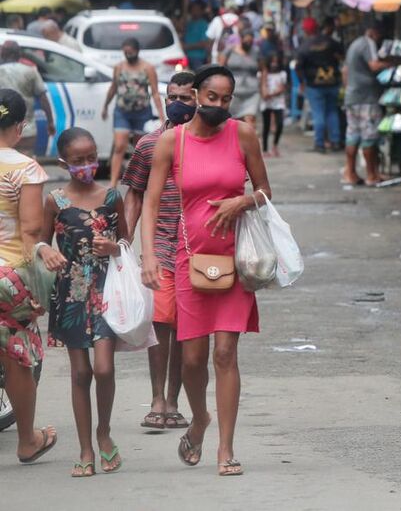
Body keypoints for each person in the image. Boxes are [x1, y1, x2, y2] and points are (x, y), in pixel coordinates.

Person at [139, 64, 272, 477]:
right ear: (195, 95)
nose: (218, 105)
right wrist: (148, 255)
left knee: (226, 353)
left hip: (235, 260)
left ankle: (226, 449)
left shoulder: (243, 134)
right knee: (192, 359)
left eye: (226, 98)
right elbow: (150, 200)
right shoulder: (171, 142)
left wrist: (242, 202)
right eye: (211, 97)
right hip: (189, 257)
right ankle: (199, 420)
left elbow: (266, 192)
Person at [37, 127, 126, 477]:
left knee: (103, 368)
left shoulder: (112, 197)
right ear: (64, 163)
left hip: (107, 288)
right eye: (78, 161)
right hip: (70, 291)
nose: (87, 165)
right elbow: (40, 244)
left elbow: (128, 244)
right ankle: (86, 448)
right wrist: (46, 252)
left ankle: (104, 433)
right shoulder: (54, 200)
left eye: (91, 158)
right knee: (80, 372)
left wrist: (114, 247)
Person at [121, 70, 197, 434]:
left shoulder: (210, 145)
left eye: (186, 96)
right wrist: (125, 242)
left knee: (186, 330)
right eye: (172, 96)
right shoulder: (149, 144)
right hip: (161, 246)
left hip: (199, 250)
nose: (178, 103)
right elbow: (134, 194)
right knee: (161, 324)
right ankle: (157, 400)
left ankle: (175, 400)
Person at [0, 90, 57, 466]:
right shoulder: (25, 169)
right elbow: (33, 230)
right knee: (17, 356)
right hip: (8, 274)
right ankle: (27, 441)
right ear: (19, 127)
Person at [102, 37, 164, 188]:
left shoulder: (147, 68)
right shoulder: (119, 67)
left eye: (130, 52)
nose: (128, 55)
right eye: (125, 52)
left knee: (140, 148)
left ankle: (139, 181)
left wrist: (162, 114)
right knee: (119, 146)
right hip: (122, 111)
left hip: (142, 113)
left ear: (137, 51)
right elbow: (113, 87)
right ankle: (113, 183)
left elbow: (155, 92)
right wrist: (105, 105)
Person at [342, 21, 396, 182]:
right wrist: (391, 64)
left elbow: (345, 70)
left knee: (353, 135)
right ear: (374, 33)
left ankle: (350, 173)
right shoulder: (368, 43)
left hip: (352, 96)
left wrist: (348, 89)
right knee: (369, 136)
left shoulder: (355, 44)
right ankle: (372, 175)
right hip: (367, 98)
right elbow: (374, 65)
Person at [296, 17, 343, 154]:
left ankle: (320, 143)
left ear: (305, 30)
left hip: (314, 84)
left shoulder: (304, 46)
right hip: (332, 82)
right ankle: (335, 142)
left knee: (318, 114)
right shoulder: (330, 42)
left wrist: (302, 82)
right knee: (332, 112)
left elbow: (298, 67)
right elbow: (341, 54)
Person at [0, 41, 54, 155]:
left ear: (2, 54)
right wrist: (50, 123)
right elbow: (43, 98)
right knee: (25, 164)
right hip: (26, 130)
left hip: (2, 130)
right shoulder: (30, 71)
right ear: (19, 54)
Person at [222, 29, 261, 126]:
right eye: (246, 41)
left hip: (252, 92)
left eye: (251, 41)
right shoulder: (229, 50)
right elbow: (221, 68)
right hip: (234, 91)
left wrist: (263, 86)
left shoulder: (256, 51)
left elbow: (263, 69)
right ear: (241, 39)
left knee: (250, 118)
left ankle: (250, 140)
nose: (248, 43)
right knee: (233, 121)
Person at [259, 51, 287, 157]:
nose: (274, 64)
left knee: (279, 124)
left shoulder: (282, 74)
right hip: (266, 103)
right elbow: (261, 88)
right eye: (272, 62)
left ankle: (275, 145)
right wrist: (264, 73)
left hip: (278, 102)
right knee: (266, 126)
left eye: (276, 62)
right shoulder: (262, 74)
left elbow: (282, 88)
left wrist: (271, 94)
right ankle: (265, 149)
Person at [183, 1, 211, 70]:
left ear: (201, 11)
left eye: (197, 9)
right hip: (186, 57)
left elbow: (204, 43)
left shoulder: (203, 24)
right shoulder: (189, 23)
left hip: (198, 58)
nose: (195, 12)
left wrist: (187, 47)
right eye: (193, 9)